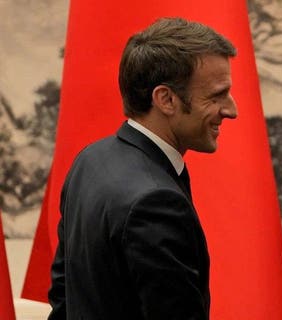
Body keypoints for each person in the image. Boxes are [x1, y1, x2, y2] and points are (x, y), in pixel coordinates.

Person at [48, 17, 237, 319]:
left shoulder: (90, 160)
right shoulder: (156, 202)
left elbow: (63, 296)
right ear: (166, 99)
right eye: (216, 96)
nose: (231, 110)